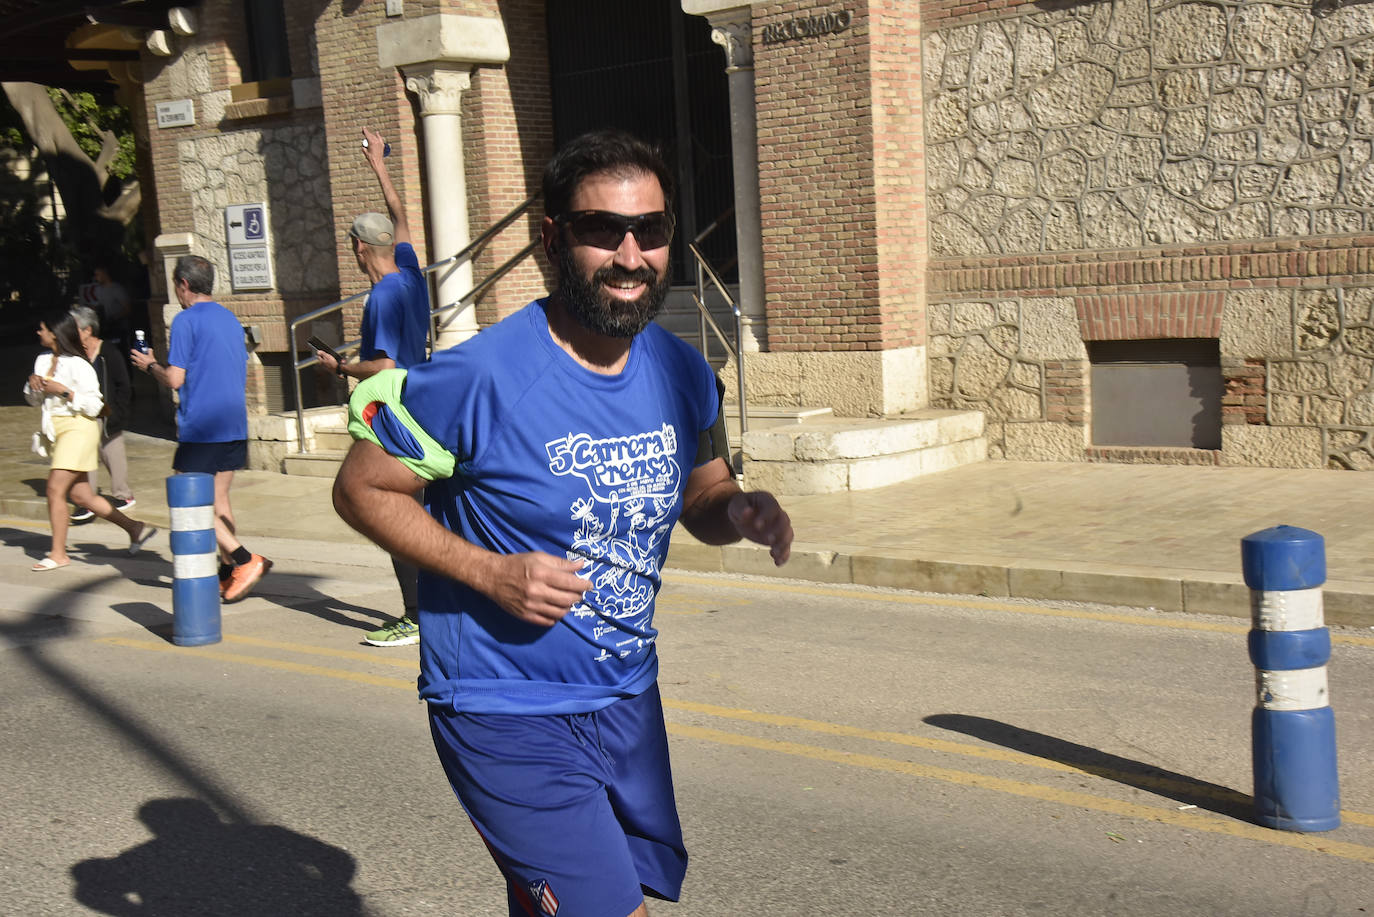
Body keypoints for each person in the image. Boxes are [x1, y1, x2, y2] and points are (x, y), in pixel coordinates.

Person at [333, 130, 793, 917]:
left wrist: (739, 511)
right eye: (599, 231)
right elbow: (361, 488)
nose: (629, 254)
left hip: (625, 696)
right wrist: (486, 571)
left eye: (649, 230)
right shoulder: (474, 376)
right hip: (503, 711)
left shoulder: (684, 372)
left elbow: (702, 494)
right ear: (552, 238)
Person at [315, 126, 430, 647]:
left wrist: (339, 369)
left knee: (384, 509)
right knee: (419, 511)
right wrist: (379, 165)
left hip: (392, 414)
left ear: (360, 248)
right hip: (424, 405)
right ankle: (437, 606)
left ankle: (415, 615)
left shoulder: (383, 298)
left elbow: (382, 368)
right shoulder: (410, 272)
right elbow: (403, 219)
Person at [130, 255, 271, 602]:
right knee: (219, 499)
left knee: (189, 501)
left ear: (184, 285)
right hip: (234, 422)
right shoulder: (228, 317)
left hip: (202, 425)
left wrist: (150, 366)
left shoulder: (185, 320)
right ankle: (228, 573)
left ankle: (244, 559)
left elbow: (175, 379)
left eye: (175, 286)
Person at [25, 309, 157, 571]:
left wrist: (62, 391)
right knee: (82, 495)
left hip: (79, 429)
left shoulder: (79, 364)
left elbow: (94, 405)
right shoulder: (41, 361)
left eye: (43, 328)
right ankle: (134, 527)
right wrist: (32, 385)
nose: (38, 332)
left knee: (54, 489)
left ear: (55, 333)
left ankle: (59, 553)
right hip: (56, 431)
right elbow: (33, 400)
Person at [68, 305, 136, 523]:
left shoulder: (109, 352)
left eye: (74, 328)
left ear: (88, 330)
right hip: (85, 412)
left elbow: (123, 385)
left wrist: (118, 412)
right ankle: (87, 500)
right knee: (85, 456)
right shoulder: (74, 354)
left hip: (107, 412)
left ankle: (123, 496)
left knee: (112, 454)